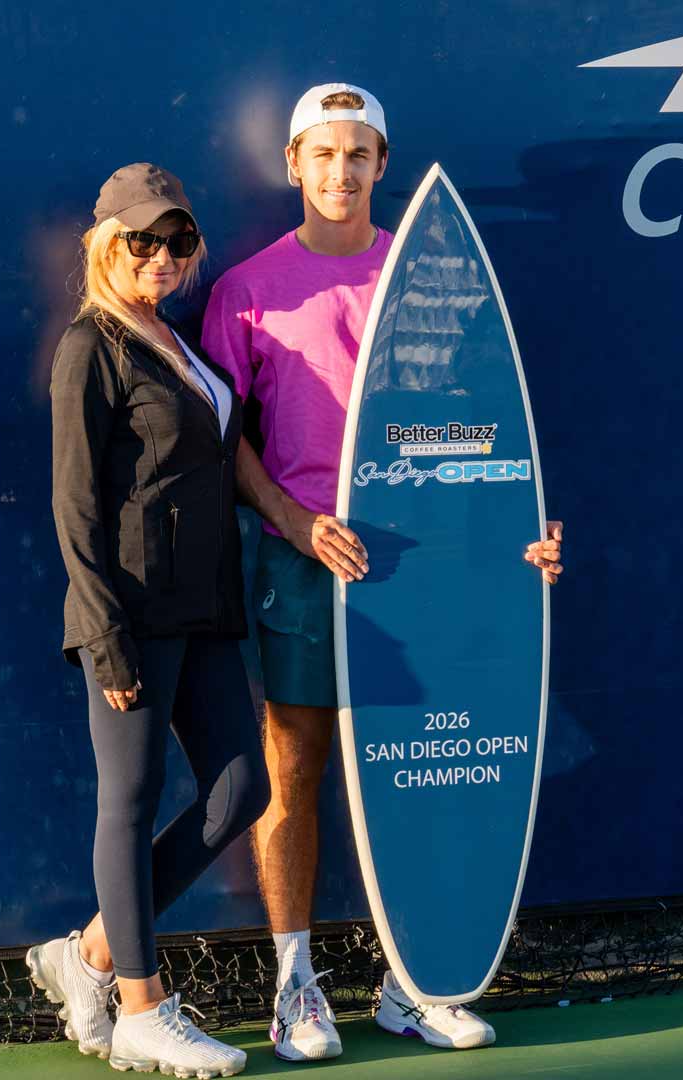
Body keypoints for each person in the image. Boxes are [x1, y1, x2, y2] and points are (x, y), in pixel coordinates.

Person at [202, 83, 566, 1063]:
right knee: (295, 770)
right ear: (293, 164)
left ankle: (417, 983)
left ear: (382, 164)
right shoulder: (247, 291)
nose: (341, 171)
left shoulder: (434, 281)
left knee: (425, 769)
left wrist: (517, 534)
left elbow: (479, 430)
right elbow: (222, 439)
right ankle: (295, 989)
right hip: (305, 564)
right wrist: (294, 521)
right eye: (323, 153)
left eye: (358, 153)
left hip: (430, 570)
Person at [26, 163, 266, 1078]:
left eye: (178, 239)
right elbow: (75, 506)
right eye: (142, 239)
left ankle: (88, 953)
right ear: (106, 243)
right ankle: (141, 1005)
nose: (161, 255)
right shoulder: (89, 347)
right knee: (128, 800)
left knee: (242, 792)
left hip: (205, 607)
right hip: (130, 612)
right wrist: (102, 631)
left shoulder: (176, 340)